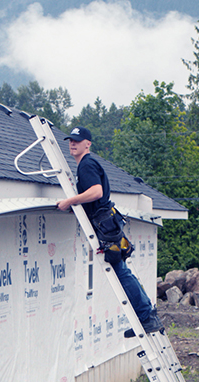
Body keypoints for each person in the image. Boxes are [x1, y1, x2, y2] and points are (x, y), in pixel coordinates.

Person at [57, 126, 163, 337]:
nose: (72, 144)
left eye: (77, 141)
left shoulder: (86, 164)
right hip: (108, 222)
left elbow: (96, 192)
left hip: (105, 223)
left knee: (121, 271)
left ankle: (145, 316)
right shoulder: (88, 164)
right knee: (123, 270)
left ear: (88, 143)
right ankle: (148, 315)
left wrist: (70, 200)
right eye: (70, 141)